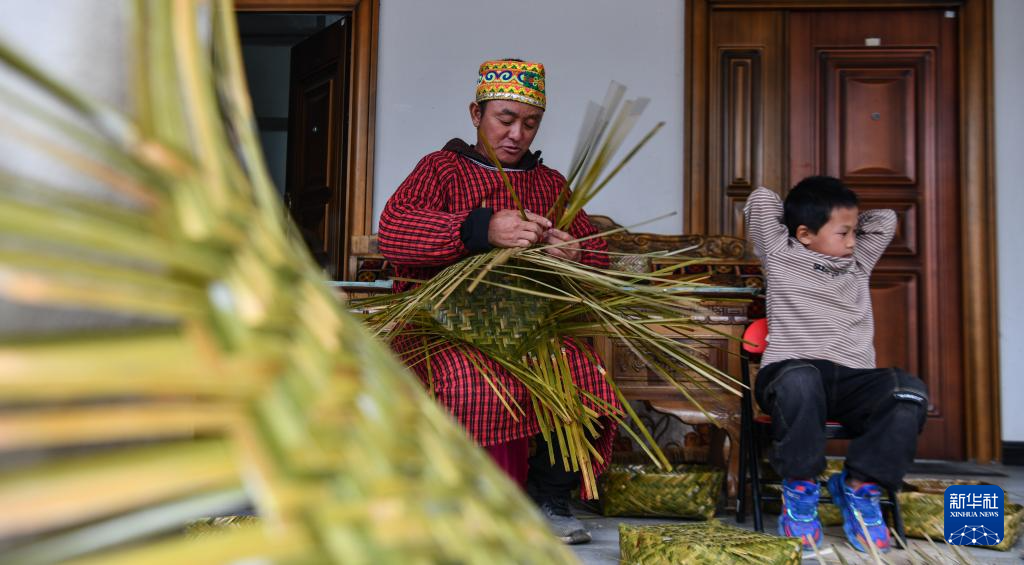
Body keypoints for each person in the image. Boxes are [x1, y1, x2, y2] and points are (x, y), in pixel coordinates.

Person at [377, 58, 616, 545]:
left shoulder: (550, 184)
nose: (516, 134)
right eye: (505, 119)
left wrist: (575, 252)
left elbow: (598, 256)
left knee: (584, 377)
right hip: (442, 328)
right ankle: (464, 500)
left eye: (530, 123)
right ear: (476, 113)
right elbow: (395, 231)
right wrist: (481, 228)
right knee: (474, 383)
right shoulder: (440, 168)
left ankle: (548, 499)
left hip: (527, 329)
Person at [743, 177, 929, 553]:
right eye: (843, 233)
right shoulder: (780, 253)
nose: (852, 241)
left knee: (908, 391)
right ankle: (800, 490)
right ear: (804, 234)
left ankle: (860, 486)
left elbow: (886, 220)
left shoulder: (857, 263)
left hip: (851, 379)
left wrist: (844, 219)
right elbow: (761, 200)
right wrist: (807, 214)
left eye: (854, 232)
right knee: (801, 381)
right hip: (791, 372)